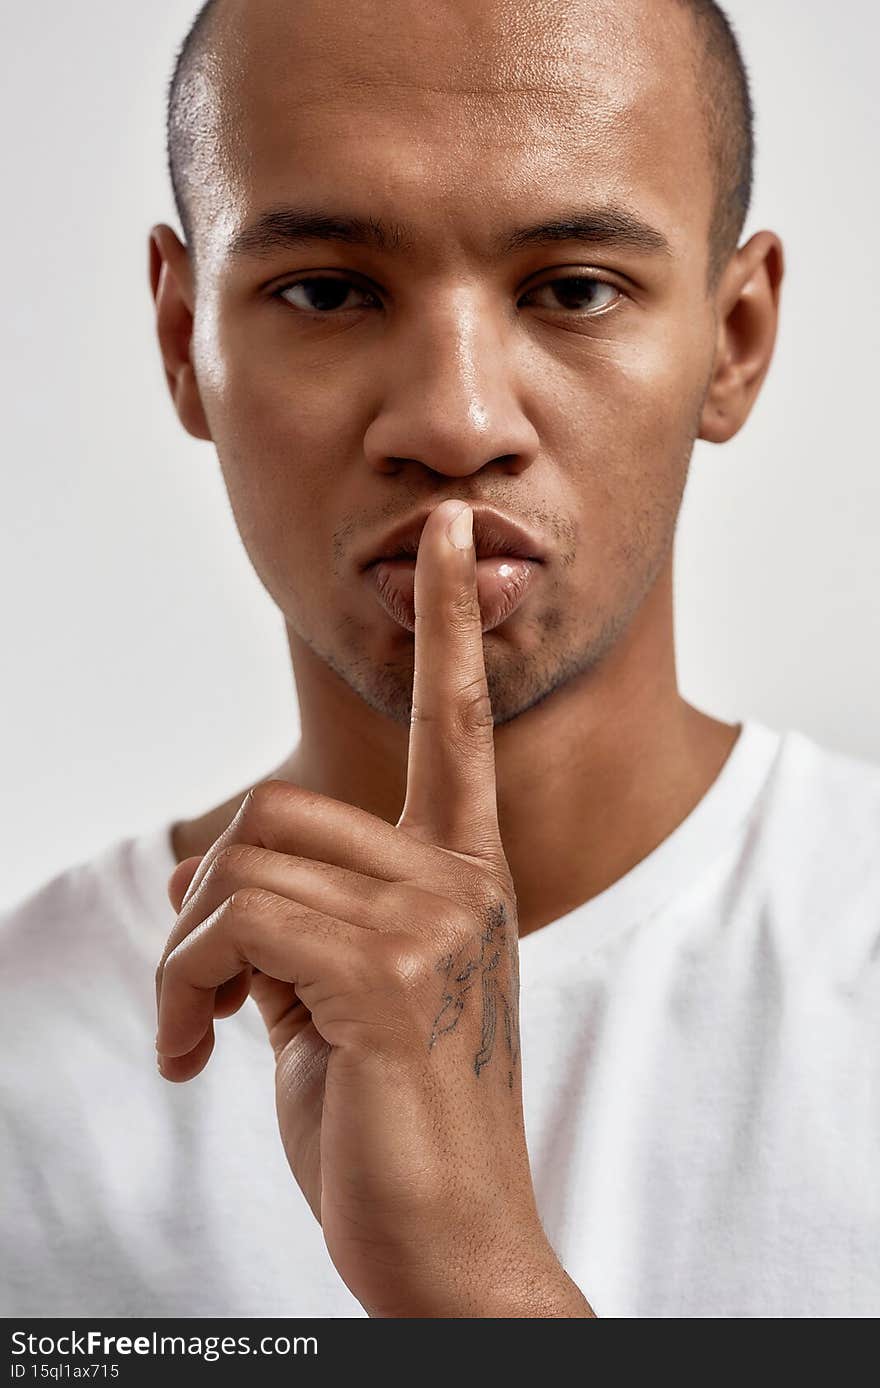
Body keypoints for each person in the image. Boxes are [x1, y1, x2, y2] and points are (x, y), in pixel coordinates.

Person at [2, 0, 878, 1319]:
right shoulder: (27, 1071)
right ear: (187, 334)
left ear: (735, 338)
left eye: (574, 289)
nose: (454, 421)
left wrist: (469, 1276)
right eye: (329, 291)